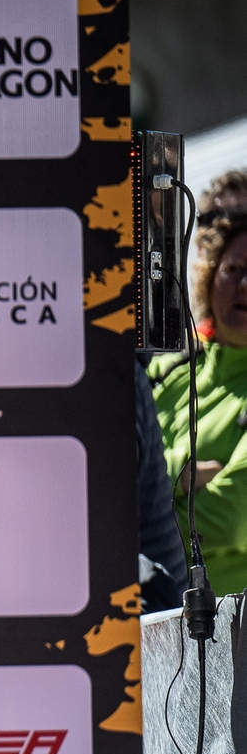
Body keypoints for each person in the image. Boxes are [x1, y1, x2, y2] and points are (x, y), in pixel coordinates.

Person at [154, 205, 247, 594]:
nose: (244, 284)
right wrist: (181, 473)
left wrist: (147, 514)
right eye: (234, 269)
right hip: (151, 616)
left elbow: (233, 521)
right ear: (209, 277)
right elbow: (118, 472)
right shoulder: (167, 373)